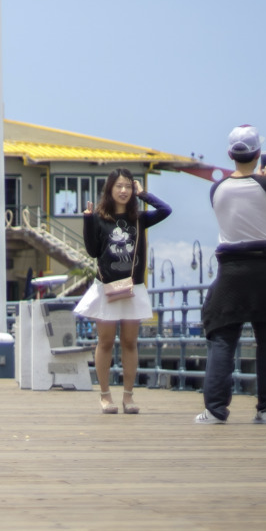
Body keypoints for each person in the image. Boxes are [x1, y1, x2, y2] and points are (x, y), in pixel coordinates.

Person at [200, 126, 266, 425]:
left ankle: (215, 410)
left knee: (223, 338)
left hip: (230, 273)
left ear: (230, 154)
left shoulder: (217, 189)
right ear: (257, 154)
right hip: (264, 269)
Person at [75, 171, 173, 414]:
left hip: (132, 287)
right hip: (106, 287)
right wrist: (88, 220)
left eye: (128, 187)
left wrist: (144, 194)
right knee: (105, 341)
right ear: (109, 189)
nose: (124, 191)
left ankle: (128, 396)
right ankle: (105, 395)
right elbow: (93, 251)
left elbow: (165, 210)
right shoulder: (99, 218)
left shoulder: (138, 218)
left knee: (130, 342)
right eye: (119, 186)